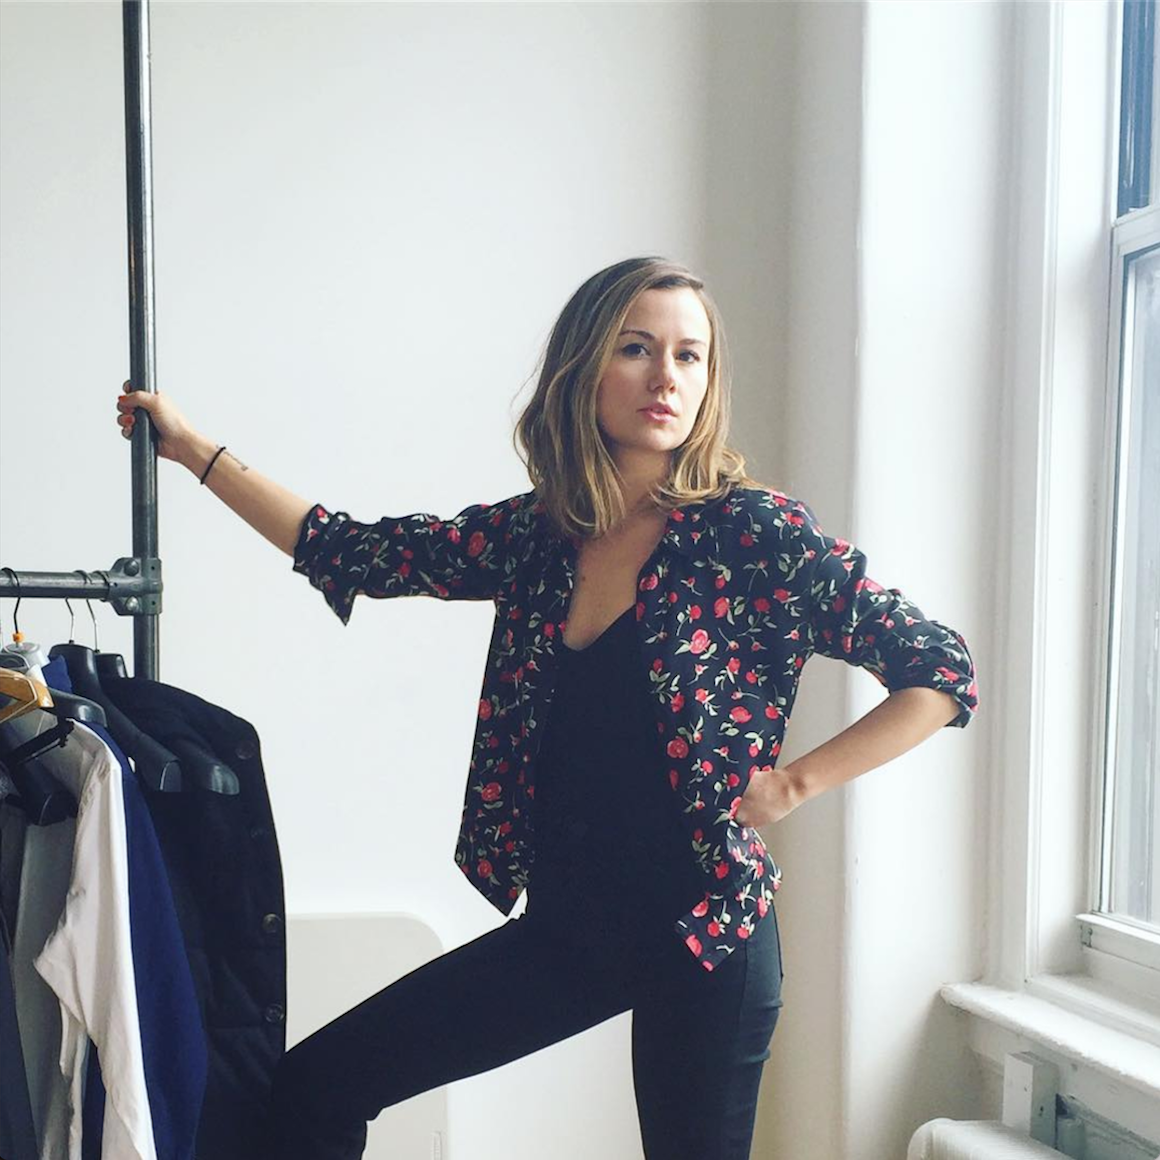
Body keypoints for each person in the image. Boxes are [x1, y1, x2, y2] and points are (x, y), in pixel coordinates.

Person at [114, 255, 978, 1159]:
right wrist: (192, 450)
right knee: (319, 1085)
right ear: (584, 368)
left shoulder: (752, 535)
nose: (666, 377)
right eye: (636, 349)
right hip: (574, 930)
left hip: (706, 934)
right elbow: (352, 550)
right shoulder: (539, 534)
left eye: (689, 356)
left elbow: (938, 670)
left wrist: (795, 783)